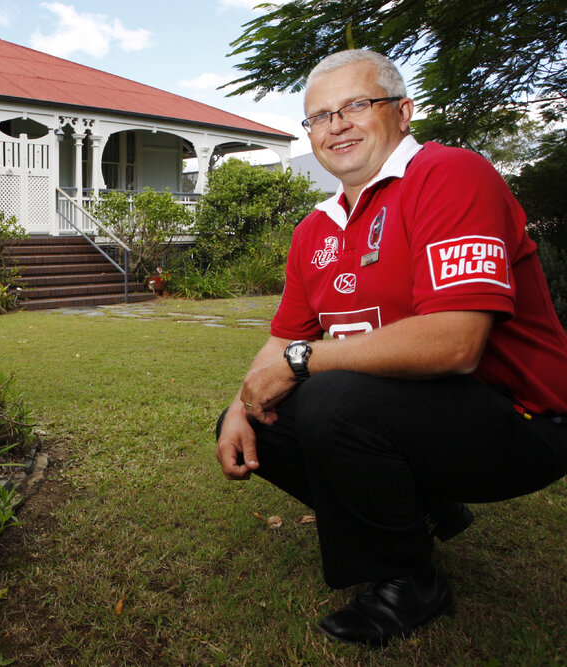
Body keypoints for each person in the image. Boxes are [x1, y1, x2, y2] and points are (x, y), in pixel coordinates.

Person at [215, 49, 567, 646]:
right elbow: (284, 335)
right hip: (422, 415)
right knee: (263, 423)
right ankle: (426, 509)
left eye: (356, 105)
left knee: (331, 397)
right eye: (320, 116)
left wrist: (302, 363)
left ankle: (409, 582)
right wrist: (240, 405)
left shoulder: (450, 174)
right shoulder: (315, 228)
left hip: (523, 417)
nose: (337, 125)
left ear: (403, 112)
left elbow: (457, 342)